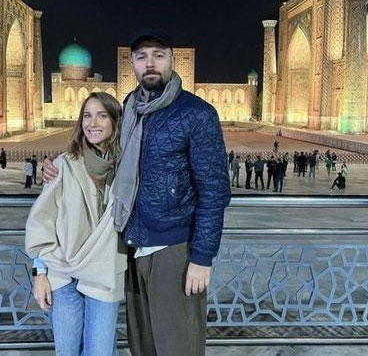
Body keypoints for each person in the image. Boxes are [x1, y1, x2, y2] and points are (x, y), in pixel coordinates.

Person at [42, 29, 230, 355]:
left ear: (173, 60)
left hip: (174, 251)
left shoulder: (196, 114)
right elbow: (107, 155)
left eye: (158, 55)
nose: (150, 63)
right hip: (132, 248)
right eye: (142, 57)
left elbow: (214, 190)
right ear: (132, 63)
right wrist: (57, 165)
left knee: (177, 347)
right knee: (143, 347)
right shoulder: (130, 107)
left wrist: (202, 257)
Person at [26, 92, 126, 356]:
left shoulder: (126, 170)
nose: (93, 123)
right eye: (87, 115)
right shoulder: (63, 165)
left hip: (103, 276)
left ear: (115, 121)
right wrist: (39, 273)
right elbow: (42, 222)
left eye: (102, 116)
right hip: (64, 276)